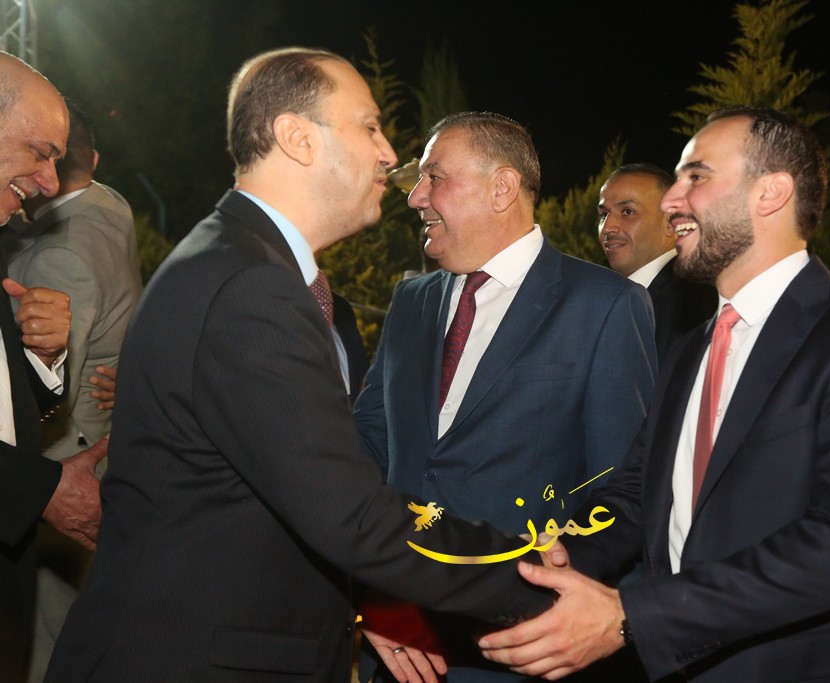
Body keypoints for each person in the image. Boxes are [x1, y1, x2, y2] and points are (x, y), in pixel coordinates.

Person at [45, 48, 553, 683]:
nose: (388, 153)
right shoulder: (250, 285)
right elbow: (351, 516)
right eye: (369, 126)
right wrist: (542, 584)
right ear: (297, 138)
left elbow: (301, 492)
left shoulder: (250, 265)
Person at [477, 106, 830, 682]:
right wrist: (555, 558)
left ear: (771, 193)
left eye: (696, 176)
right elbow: (635, 497)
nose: (672, 200)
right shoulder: (692, 348)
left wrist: (631, 615)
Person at [352, 112, 657, 682]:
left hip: (521, 649)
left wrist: (541, 578)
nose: (415, 196)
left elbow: (621, 485)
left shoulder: (605, 305)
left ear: (502, 188)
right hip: (396, 642)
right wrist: (366, 585)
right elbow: (367, 444)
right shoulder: (411, 302)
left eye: (434, 177)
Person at [2, 97, 142, 682]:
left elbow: (34, 399)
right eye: (37, 155)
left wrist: (49, 355)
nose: (45, 182)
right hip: (62, 465)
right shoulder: (110, 206)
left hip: (60, 463)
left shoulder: (60, 252)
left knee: (45, 644)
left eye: (52, 159)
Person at [598, 162, 716, 359]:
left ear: (670, 222)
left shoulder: (696, 302)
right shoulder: (598, 297)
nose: (607, 227)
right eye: (603, 214)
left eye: (628, 212)